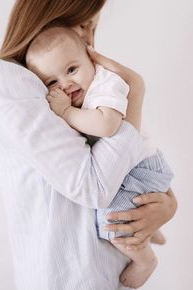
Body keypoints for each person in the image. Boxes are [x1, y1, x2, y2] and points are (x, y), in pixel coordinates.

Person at [0, 1, 177, 289]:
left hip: (108, 273)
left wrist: (168, 206)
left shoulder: (89, 87)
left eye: (93, 26)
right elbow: (92, 185)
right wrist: (136, 92)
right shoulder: (9, 79)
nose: (89, 38)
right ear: (50, 13)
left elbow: (131, 160)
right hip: (69, 278)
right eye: (83, 24)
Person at [25, 26, 173, 288]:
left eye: (71, 70)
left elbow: (107, 125)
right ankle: (152, 232)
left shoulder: (106, 83)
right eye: (52, 82)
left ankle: (145, 260)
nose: (66, 84)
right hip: (133, 167)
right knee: (129, 213)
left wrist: (66, 113)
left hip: (140, 168)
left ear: (91, 59)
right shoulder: (81, 94)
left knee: (113, 225)